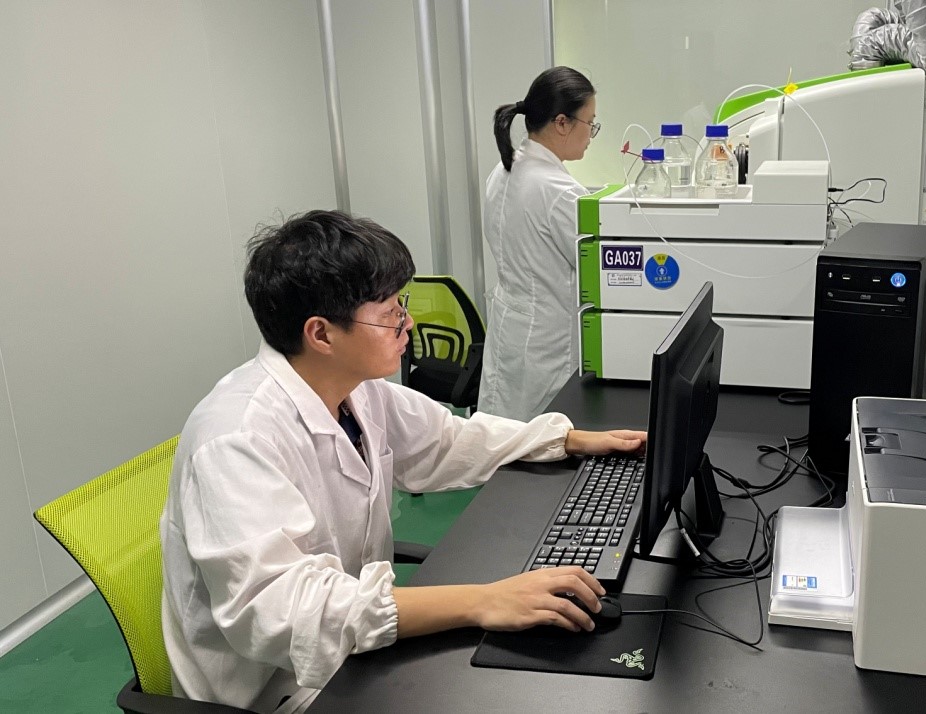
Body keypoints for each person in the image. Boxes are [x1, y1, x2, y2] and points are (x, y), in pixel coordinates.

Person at [159, 210, 645, 713]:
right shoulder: (236, 438)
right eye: (389, 312)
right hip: (274, 692)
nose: (407, 322)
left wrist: (569, 439)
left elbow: (447, 440)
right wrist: (484, 600)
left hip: (353, 655)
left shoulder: (352, 388)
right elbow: (289, 612)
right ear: (321, 334)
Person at [480, 66, 599, 421]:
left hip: (511, 328)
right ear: (562, 122)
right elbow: (595, 269)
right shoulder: (558, 191)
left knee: (504, 434)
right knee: (543, 437)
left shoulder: (503, 170)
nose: (591, 134)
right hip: (546, 342)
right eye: (590, 123)